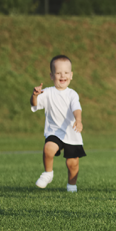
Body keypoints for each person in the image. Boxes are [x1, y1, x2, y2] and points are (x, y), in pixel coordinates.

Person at [31, 55, 85, 193]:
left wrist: (78, 120)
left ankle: (71, 186)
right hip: (54, 132)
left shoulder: (72, 94)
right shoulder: (48, 92)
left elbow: (76, 109)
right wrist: (35, 96)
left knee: (72, 163)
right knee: (48, 148)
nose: (63, 75)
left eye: (66, 72)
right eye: (58, 72)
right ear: (51, 75)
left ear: (71, 75)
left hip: (71, 133)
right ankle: (48, 173)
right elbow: (34, 105)